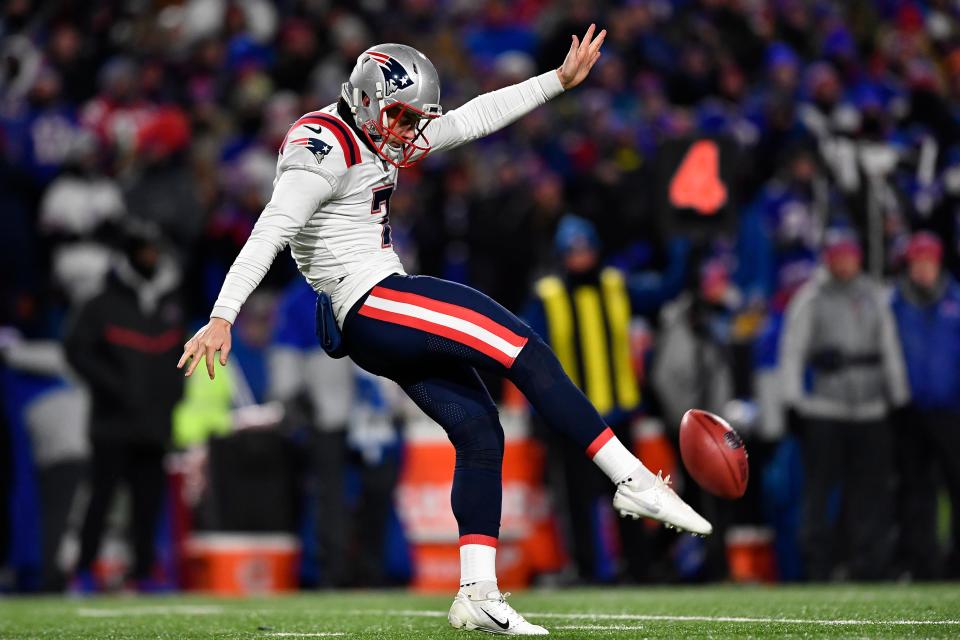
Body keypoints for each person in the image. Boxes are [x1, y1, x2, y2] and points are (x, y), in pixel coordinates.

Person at [180, 28, 711, 635]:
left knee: (481, 430)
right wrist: (223, 315)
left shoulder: (377, 125)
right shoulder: (323, 144)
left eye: (414, 119)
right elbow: (269, 230)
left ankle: (477, 592)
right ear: (365, 99)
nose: (410, 131)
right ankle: (631, 477)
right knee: (522, 347)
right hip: (371, 302)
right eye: (402, 117)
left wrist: (556, 83)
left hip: (375, 307)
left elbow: (468, 120)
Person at [523, 214, 688, 583]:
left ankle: (638, 569)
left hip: (616, 416)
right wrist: (540, 413)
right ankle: (585, 571)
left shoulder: (616, 285)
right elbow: (526, 358)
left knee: (628, 499)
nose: (580, 257)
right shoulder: (547, 296)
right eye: (573, 251)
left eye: (585, 249)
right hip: (573, 420)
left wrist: (682, 248)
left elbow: (665, 291)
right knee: (576, 502)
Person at [779, 229, 909, 581]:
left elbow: (890, 349)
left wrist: (899, 399)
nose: (845, 261)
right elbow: (792, 351)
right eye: (838, 255)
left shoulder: (874, 295)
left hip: (871, 408)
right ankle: (817, 566)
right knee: (819, 490)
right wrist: (792, 402)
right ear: (828, 258)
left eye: (850, 254)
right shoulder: (812, 297)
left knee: (871, 492)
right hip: (825, 407)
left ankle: (869, 565)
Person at [64, 219, 185, 591]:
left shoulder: (169, 303)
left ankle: (145, 572)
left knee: (148, 503)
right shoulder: (101, 304)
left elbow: (174, 361)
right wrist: (113, 388)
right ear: (131, 255)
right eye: (144, 251)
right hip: (113, 421)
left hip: (153, 422)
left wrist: (171, 399)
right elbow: (75, 350)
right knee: (100, 499)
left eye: (155, 251)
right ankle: (84, 571)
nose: (151, 257)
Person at [890, 231, 960, 580]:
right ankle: (922, 564)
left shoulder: (956, 300)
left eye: (928, 262)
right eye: (917, 262)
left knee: (956, 486)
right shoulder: (894, 304)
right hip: (910, 410)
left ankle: (954, 564)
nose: (923, 269)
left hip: (951, 408)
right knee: (916, 491)